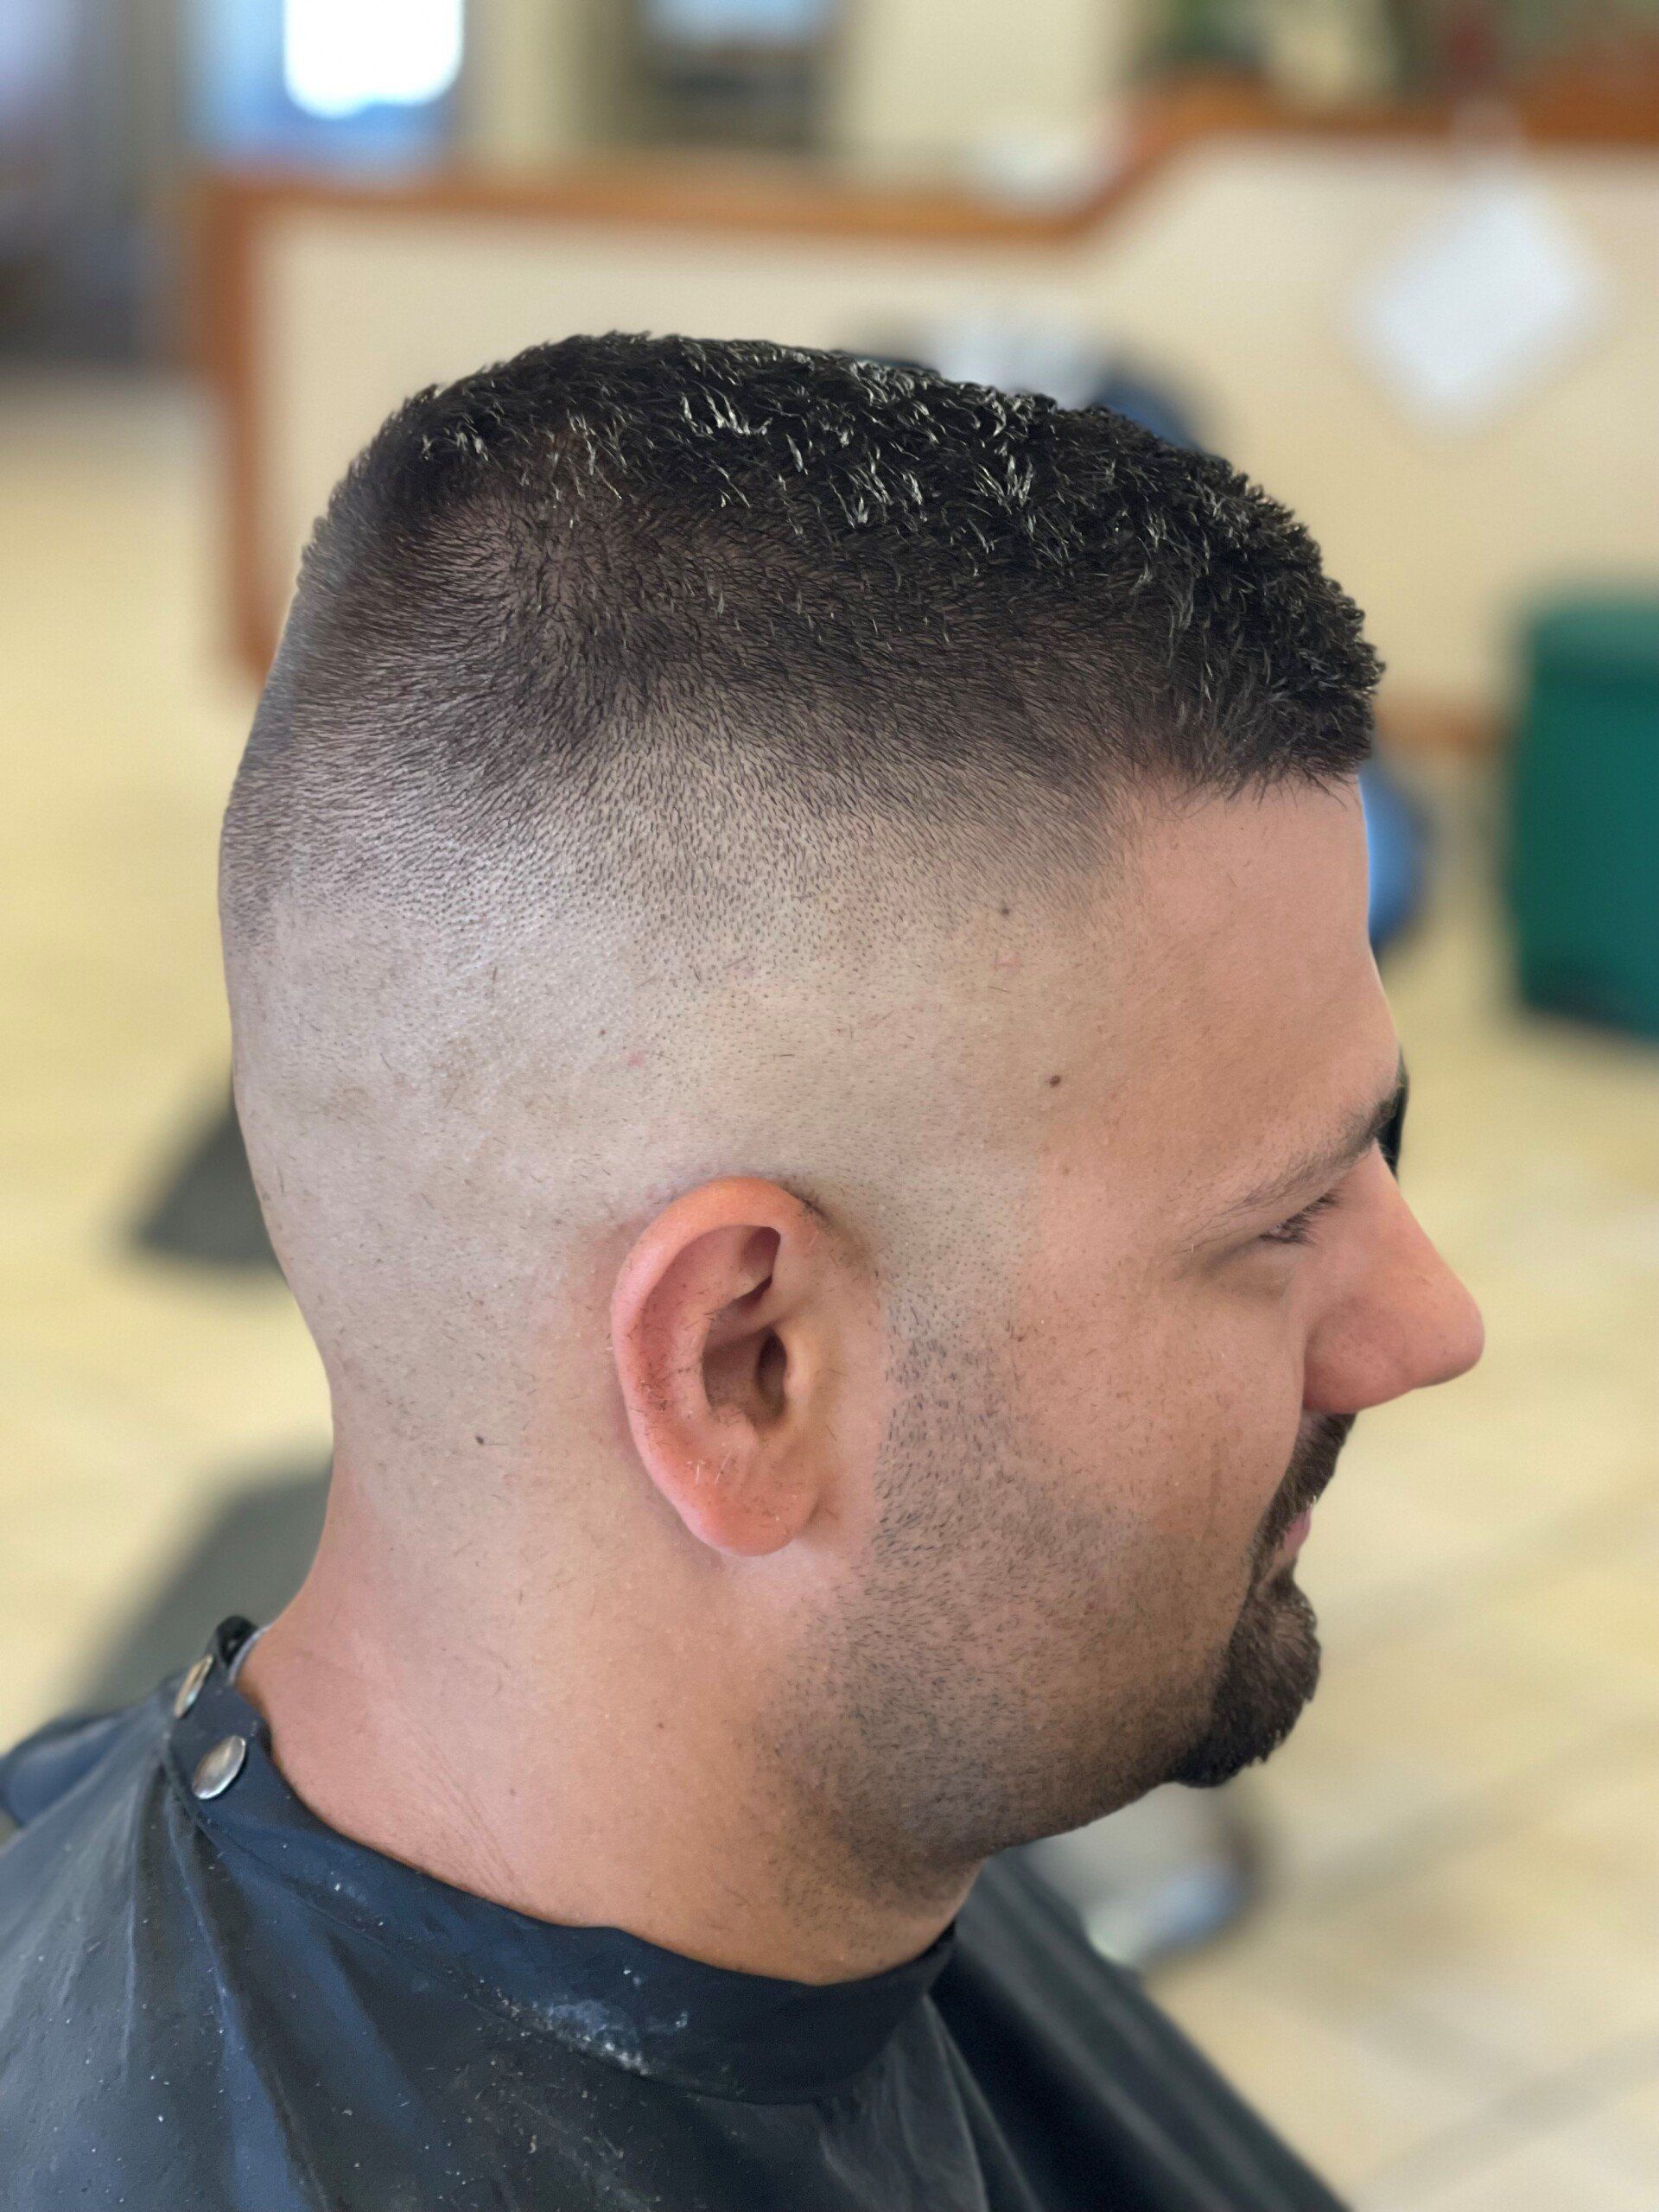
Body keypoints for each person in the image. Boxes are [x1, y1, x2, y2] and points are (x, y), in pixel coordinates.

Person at [0, 334, 1484, 2210]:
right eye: (1284, 1218)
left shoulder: (877, 1805)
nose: (1430, 1320)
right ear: (748, 1366)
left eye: (1381, 1149)